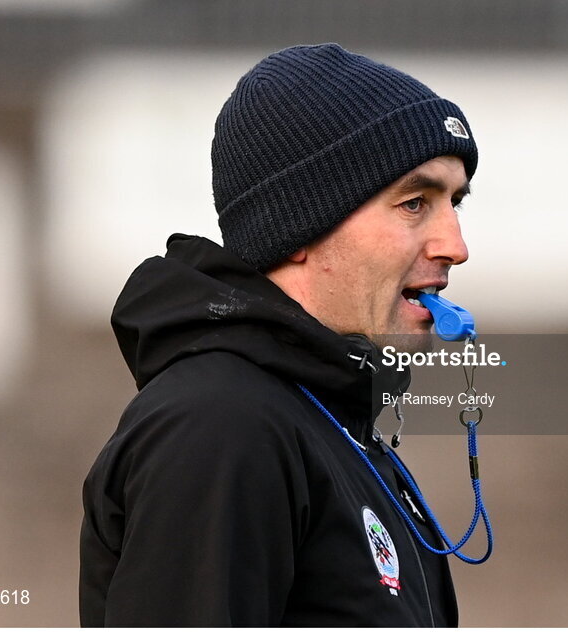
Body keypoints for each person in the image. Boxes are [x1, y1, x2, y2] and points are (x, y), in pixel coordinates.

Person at [79, 43, 479, 626]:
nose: (457, 247)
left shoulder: (328, 420)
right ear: (300, 226)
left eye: (456, 202)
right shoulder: (223, 425)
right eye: (415, 203)